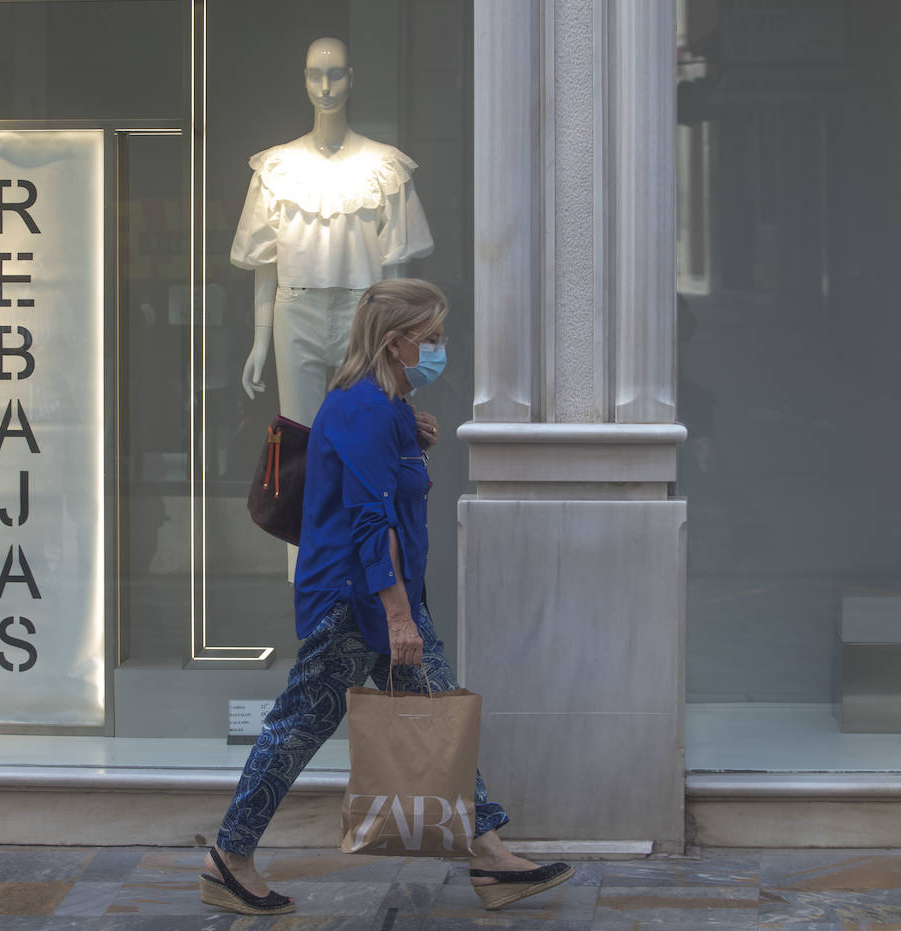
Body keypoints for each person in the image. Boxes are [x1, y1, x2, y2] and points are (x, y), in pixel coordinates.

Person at [199, 279, 574, 916]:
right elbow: (371, 522)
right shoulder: (367, 408)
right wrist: (399, 617)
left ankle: (488, 855)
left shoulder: (386, 406)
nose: (439, 348)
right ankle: (228, 859)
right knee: (299, 726)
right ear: (395, 342)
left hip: (380, 595)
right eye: (430, 338)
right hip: (357, 599)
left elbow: (380, 483)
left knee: (437, 709)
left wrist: (411, 443)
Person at [231, 37, 434, 427]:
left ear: (351, 79)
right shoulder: (277, 167)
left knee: (365, 426)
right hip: (295, 309)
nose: (325, 88)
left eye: (335, 76)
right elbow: (264, 261)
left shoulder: (384, 166)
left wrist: (401, 340)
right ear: (304, 79)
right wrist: (261, 339)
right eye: (316, 76)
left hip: (365, 312)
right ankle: (308, 492)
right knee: (299, 434)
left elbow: (396, 269)